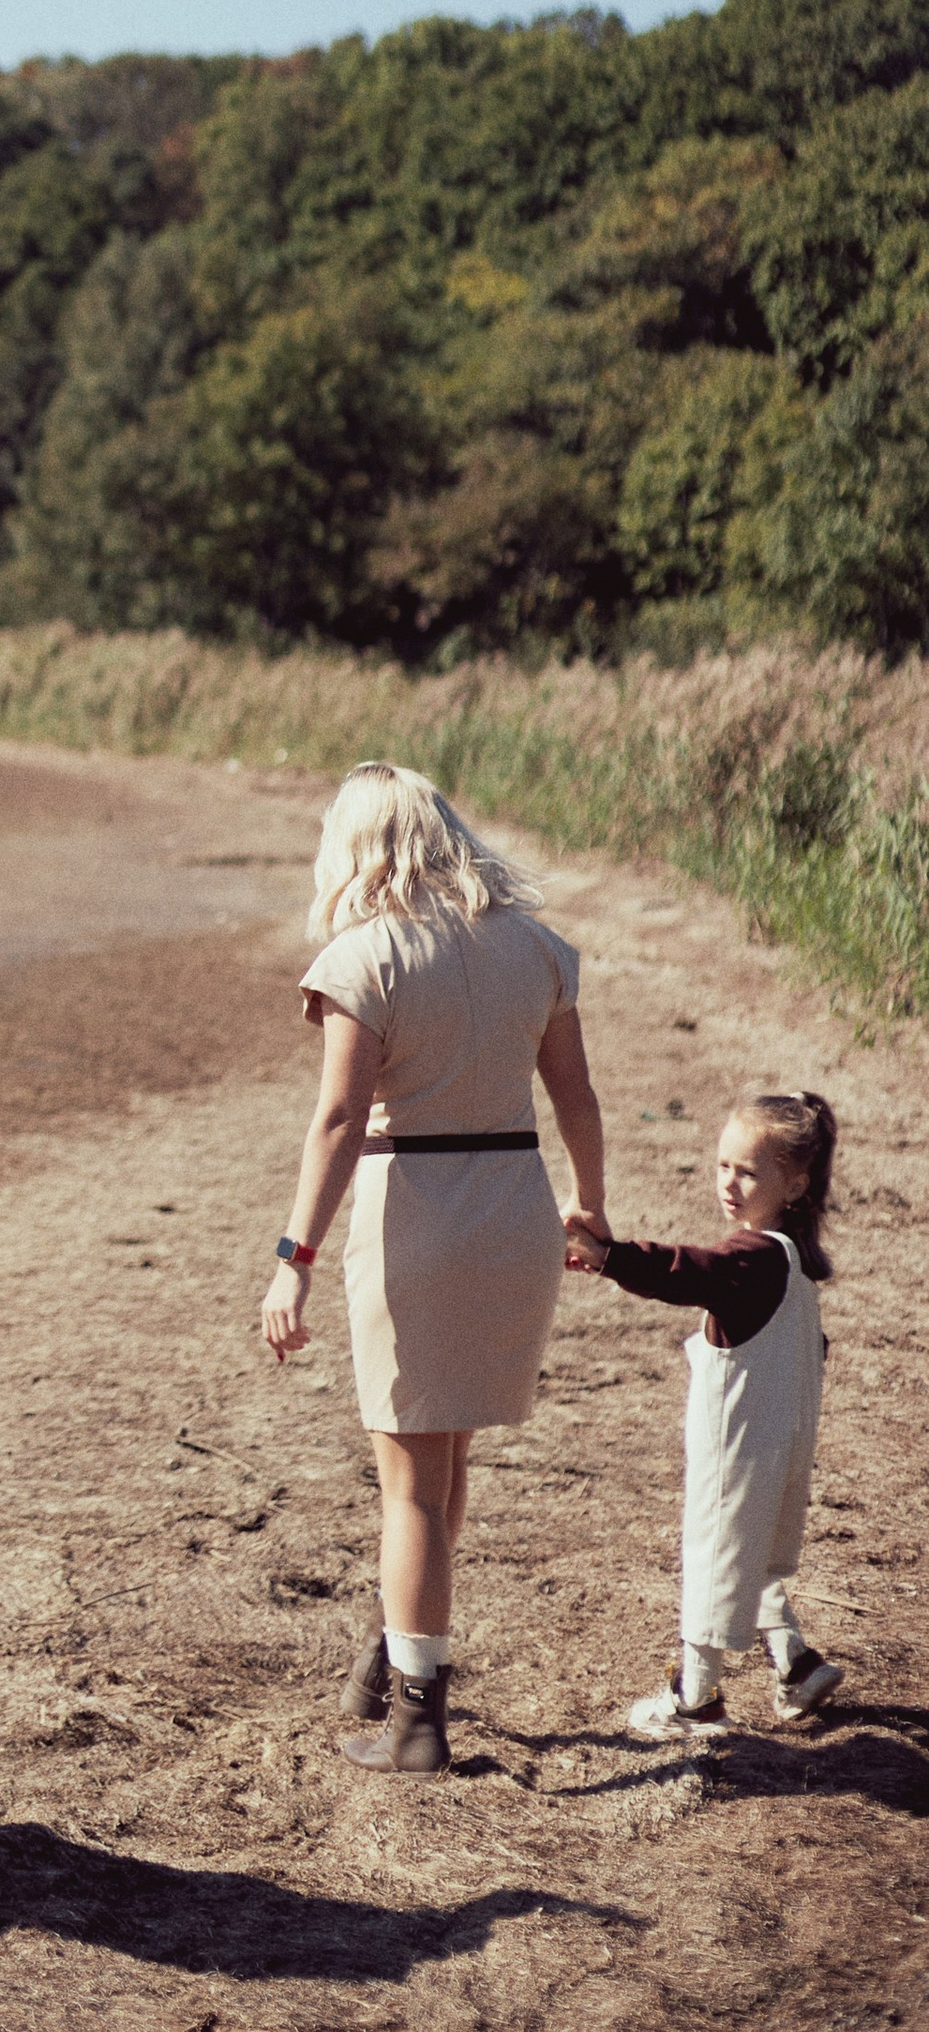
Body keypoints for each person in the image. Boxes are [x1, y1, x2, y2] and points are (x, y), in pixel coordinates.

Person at [261, 761, 606, 1777]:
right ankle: (394, 1649)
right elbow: (576, 1100)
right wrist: (588, 1206)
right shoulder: (536, 949)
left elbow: (334, 1120)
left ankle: (415, 1722)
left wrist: (294, 1258)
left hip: (414, 1210)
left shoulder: (363, 958)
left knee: (409, 1480)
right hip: (514, 1209)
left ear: (354, 846)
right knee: (443, 1463)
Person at [567, 1088, 844, 1738]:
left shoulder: (751, 1258)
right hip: (779, 1442)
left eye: (748, 1171)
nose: (729, 1181)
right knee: (746, 1556)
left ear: (795, 1183)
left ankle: (697, 1699)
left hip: (737, 1444)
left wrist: (610, 1257)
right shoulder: (798, 1263)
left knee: (713, 1555)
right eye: (723, 1165)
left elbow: (684, 1270)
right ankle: (796, 1665)